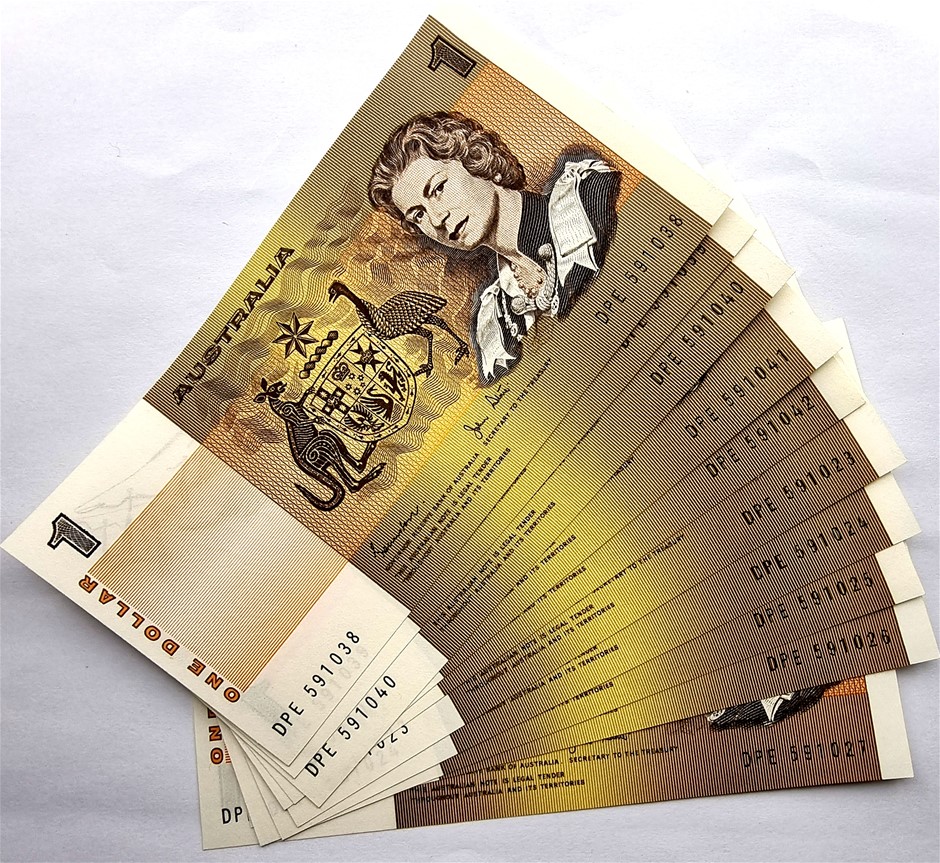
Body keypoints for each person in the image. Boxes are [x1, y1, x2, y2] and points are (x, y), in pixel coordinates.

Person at [369, 111, 620, 383]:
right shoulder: (494, 326)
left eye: (438, 188)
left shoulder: (585, 196)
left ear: (476, 159)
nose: (437, 219)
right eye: (418, 215)